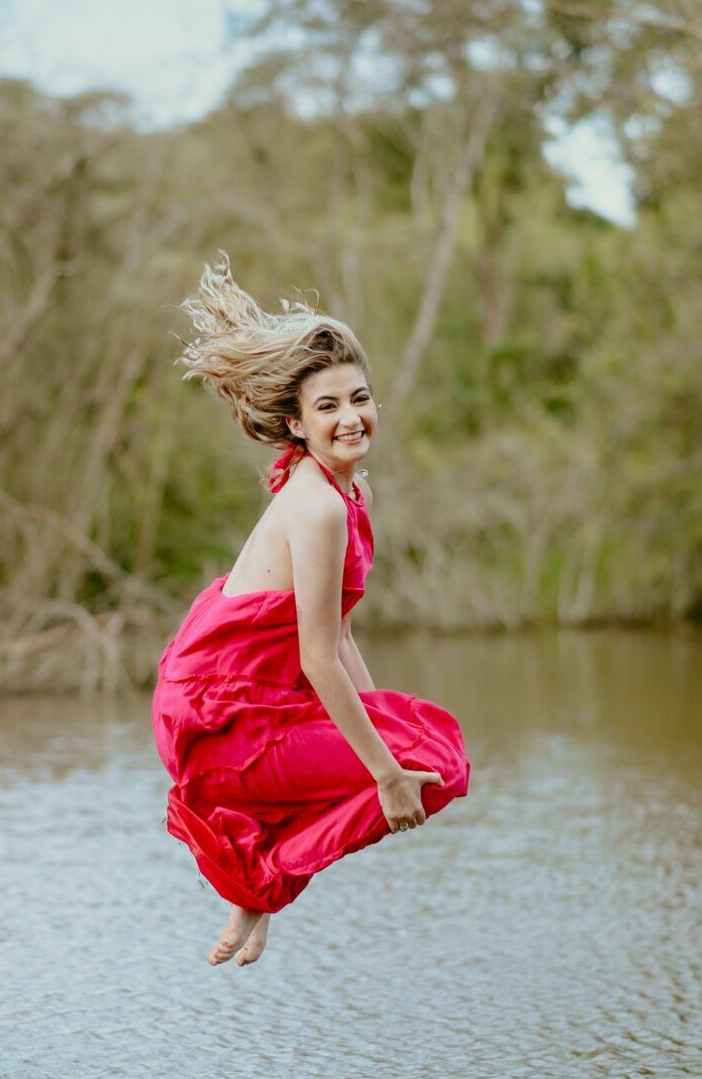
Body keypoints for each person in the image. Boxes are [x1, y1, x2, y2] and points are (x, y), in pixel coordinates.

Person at [151, 253, 470, 967]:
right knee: (426, 767)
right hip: (221, 720)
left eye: (359, 398)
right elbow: (316, 657)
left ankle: (259, 886)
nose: (350, 417)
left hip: (255, 698)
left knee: (428, 746)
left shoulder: (347, 493)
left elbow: (343, 633)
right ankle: (261, 882)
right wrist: (384, 773)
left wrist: (384, 730)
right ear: (296, 423)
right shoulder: (319, 506)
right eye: (326, 407)